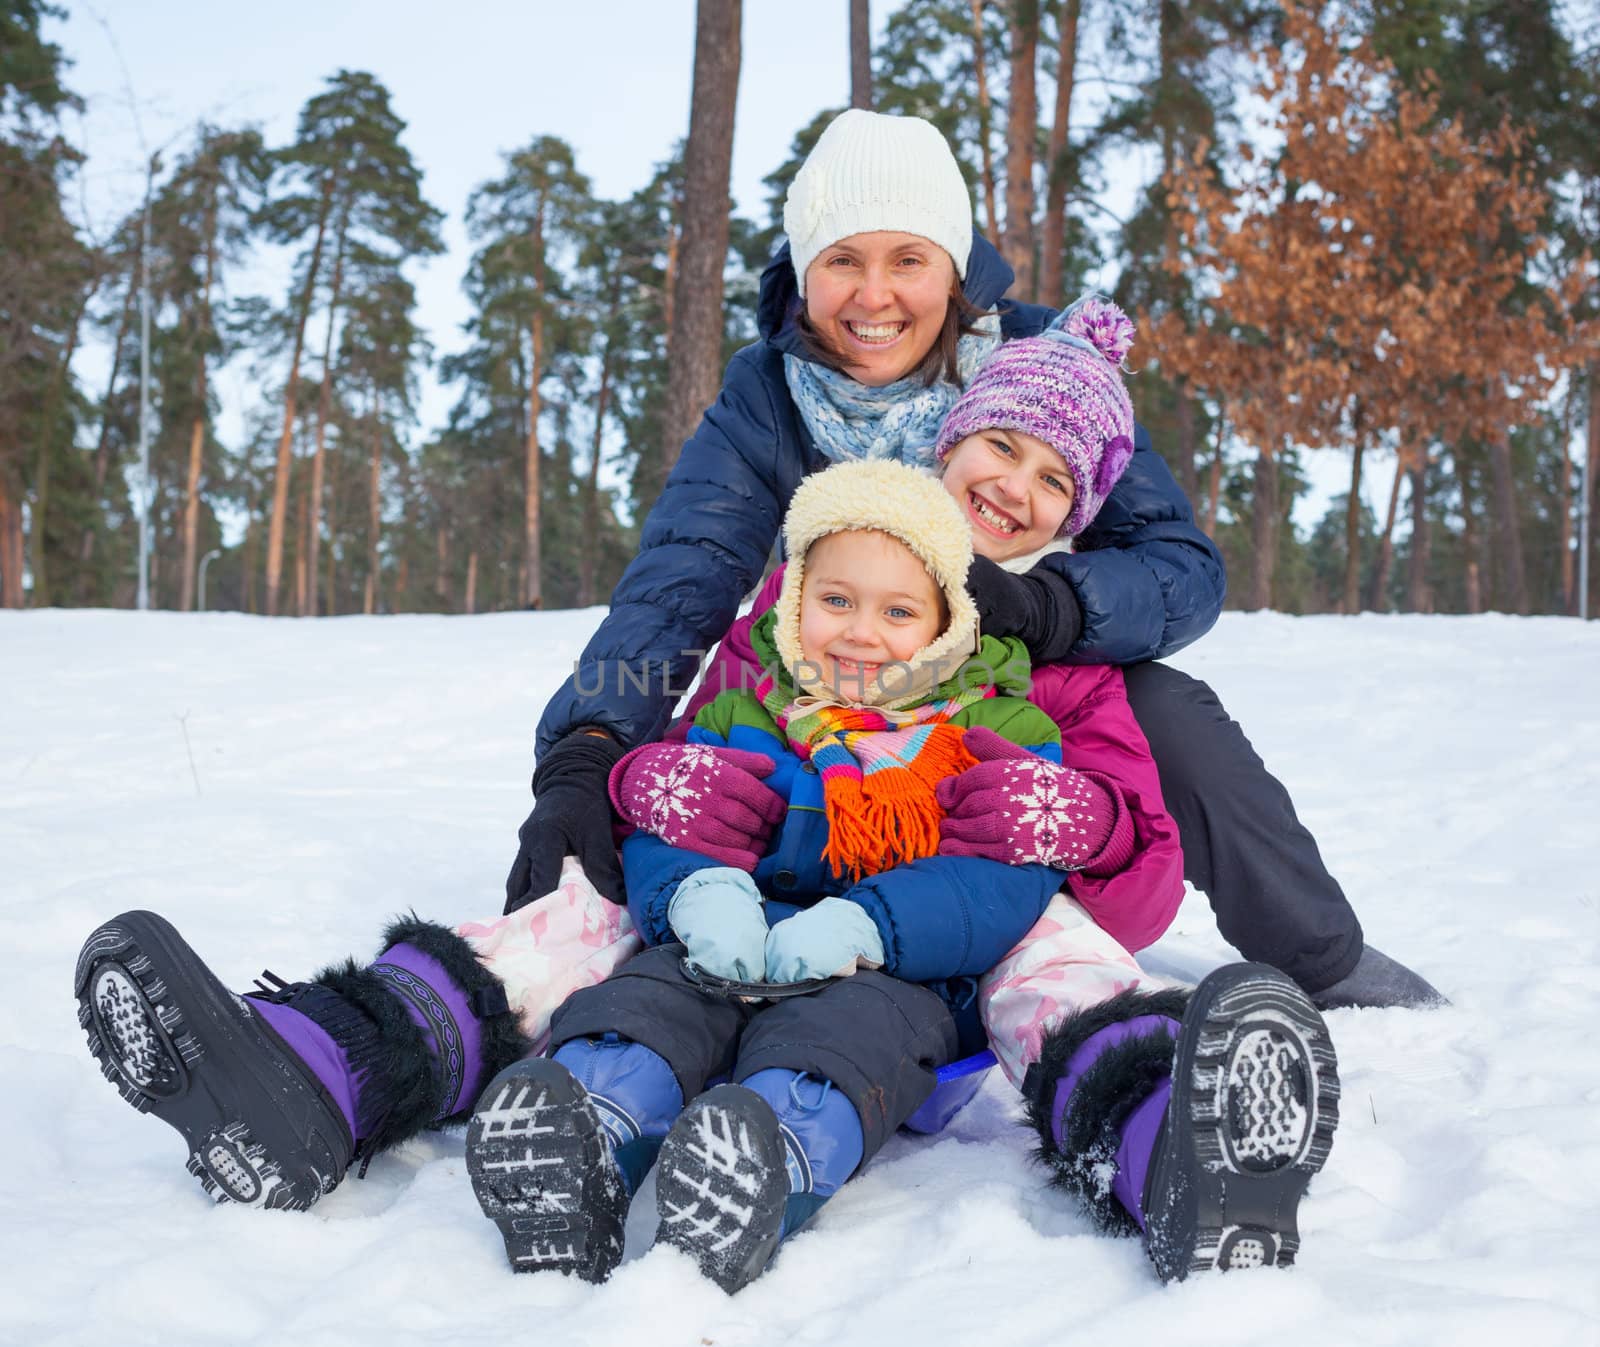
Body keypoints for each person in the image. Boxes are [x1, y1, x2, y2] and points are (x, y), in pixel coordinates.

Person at [507, 107, 1441, 1011]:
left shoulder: (1046, 365)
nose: (874, 298)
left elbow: (1181, 566)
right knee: (716, 716)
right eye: (843, 261)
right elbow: (680, 583)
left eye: (907, 260)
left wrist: (1052, 609)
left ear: (952, 268)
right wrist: (592, 747)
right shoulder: (769, 397)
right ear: (804, 270)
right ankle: (665, 932)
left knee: (1168, 710)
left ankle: (1317, 954)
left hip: (1024, 674)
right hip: (846, 678)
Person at [464, 456, 1153, 1292]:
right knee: (645, 998)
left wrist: (875, 924)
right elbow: (679, 819)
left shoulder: (990, 728)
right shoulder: (747, 709)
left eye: (898, 611)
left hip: (896, 972)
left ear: (945, 623)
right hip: (736, 937)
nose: (862, 632)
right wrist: (696, 888)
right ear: (794, 604)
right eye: (836, 601)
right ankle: (584, 1130)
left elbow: (997, 883)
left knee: (844, 1041)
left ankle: (770, 1161)